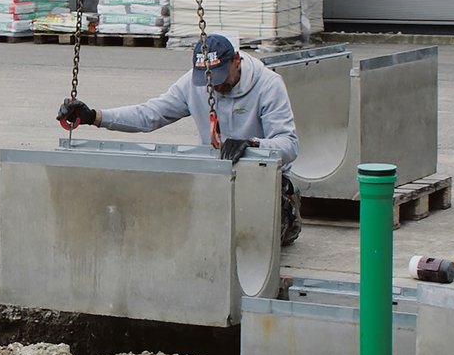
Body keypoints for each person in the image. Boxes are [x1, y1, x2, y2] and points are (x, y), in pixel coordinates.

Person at [57, 33, 302, 245]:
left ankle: (288, 217)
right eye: (208, 82)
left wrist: (253, 145)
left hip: (262, 184)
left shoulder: (269, 85)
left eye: (219, 80)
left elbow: (289, 145)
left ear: (236, 61)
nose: (214, 88)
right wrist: (95, 117)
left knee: (250, 240)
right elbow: (149, 115)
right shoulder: (194, 84)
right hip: (217, 182)